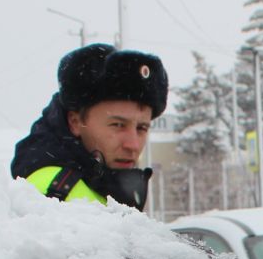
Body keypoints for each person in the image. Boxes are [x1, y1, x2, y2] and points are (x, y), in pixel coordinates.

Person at [11, 43, 168, 209]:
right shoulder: (53, 194)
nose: (133, 145)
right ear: (75, 122)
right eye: (118, 125)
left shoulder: (100, 181)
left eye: (141, 128)